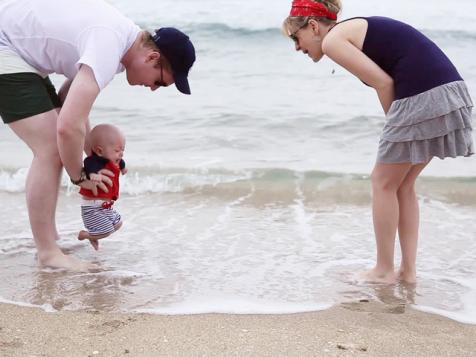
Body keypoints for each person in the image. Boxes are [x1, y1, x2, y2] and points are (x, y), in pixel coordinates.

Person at [282, 0, 473, 283]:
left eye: (296, 38)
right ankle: (407, 272)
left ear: (313, 26)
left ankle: (383, 270)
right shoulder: (351, 31)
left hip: (425, 95)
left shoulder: (334, 40)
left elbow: (384, 83)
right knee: (401, 185)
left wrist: (394, 127)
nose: (297, 47)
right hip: (449, 91)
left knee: (382, 182)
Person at [0, 0, 196, 270]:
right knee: (51, 150)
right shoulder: (109, 44)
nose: (153, 89)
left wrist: (95, 157)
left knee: (57, 147)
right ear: (152, 58)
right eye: (160, 82)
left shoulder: (118, 42)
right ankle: (47, 252)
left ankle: (49, 240)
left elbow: (68, 100)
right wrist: (80, 175)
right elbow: (67, 127)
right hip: (6, 44)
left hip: (17, 48)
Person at [77, 124, 127, 251]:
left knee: (118, 224)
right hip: (92, 208)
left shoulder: (114, 160)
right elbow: (88, 165)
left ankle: (94, 235)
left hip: (106, 206)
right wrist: (93, 174)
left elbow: (120, 161)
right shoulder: (94, 162)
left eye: (122, 150)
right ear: (100, 151)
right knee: (106, 231)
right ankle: (85, 235)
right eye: (117, 151)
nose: (120, 154)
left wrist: (123, 167)